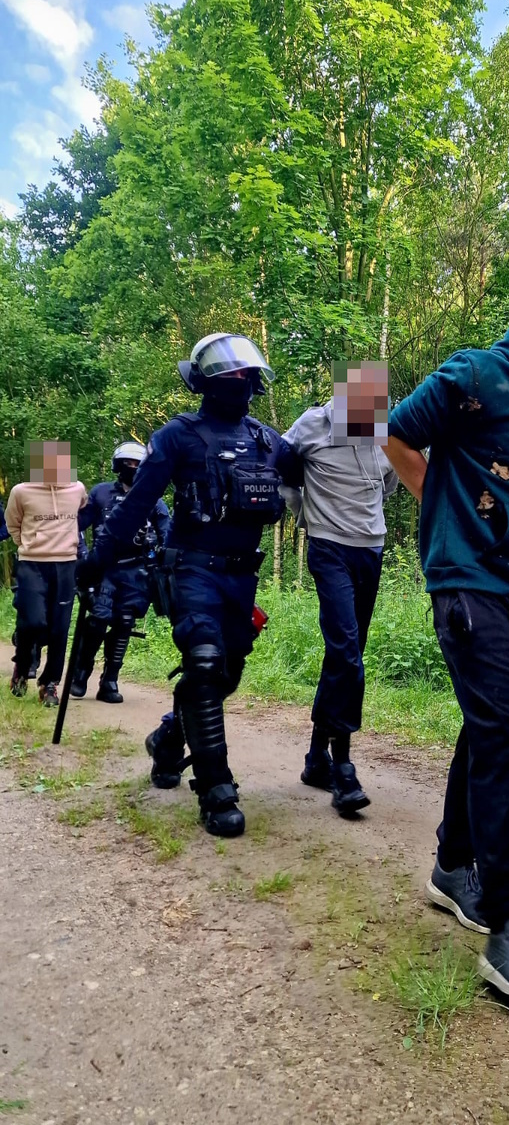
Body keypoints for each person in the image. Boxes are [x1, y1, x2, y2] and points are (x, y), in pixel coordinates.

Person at [385, 324, 509, 999]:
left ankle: (451, 865)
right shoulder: (475, 376)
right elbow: (396, 435)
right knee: (503, 741)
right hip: (470, 582)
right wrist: (446, 511)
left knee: (491, 730)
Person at [78, 334, 304, 837]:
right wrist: (96, 561)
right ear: (203, 381)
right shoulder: (177, 437)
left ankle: (167, 739)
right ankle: (216, 789)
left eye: (245, 374)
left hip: (241, 577)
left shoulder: (269, 441)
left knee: (226, 675)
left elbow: (319, 469)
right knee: (203, 663)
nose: (238, 380)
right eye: (228, 374)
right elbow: (136, 505)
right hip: (190, 570)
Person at [283, 362, 397, 816]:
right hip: (328, 547)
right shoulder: (312, 425)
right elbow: (284, 472)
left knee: (346, 655)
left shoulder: (385, 432)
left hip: (370, 548)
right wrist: (305, 515)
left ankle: (316, 759)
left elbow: (388, 482)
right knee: (347, 651)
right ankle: (343, 767)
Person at [71, 442, 170, 703]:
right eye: (128, 463)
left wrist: (164, 559)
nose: (133, 468)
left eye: (138, 464)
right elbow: (76, 525)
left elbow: (167, 534)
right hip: (103, 567)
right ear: (119, 465)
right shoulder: (101, 493)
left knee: (125, 622)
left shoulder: (153, 499)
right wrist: (82, 557)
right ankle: (81, 672)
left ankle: (110, 680)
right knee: (98, 618)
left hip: (136, 571)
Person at [6, 441, 87, 706]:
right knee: (32, 621)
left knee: (59, 628)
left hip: (66, 565)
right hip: (32, 563)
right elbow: (13, 523)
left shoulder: (77, 489)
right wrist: (27, 545)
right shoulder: (21, 492)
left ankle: (49, 684)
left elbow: (82, 509)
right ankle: (21, 667)